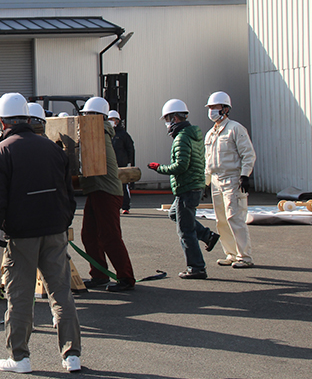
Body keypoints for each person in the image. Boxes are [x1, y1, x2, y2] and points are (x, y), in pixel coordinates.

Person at [0, 92, 81, 374]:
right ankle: (72, 355)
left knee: (20, 296)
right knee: (61, 294)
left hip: (22, 235)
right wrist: (62, 223)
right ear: (27, 117)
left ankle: (19, 357)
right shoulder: (53, 149)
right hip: (55, 231)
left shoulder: (0, 152)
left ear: (1, 121)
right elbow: (69, 195)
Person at [147, 99, 219, 279]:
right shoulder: (192, 134)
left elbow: (180, 166)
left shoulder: (181, 138)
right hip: (194, 185)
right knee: (174, 214)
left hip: (186, 188)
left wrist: (159, 168)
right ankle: (207, 235)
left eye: (167, 119)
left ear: (174, 118)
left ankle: (196, 268)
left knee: (185, 230)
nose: (166, 124)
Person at [78, 98, 136, 292]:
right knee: (89, 235)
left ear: (97, 117)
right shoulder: (95, 132)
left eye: (87, 114)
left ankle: (126, 277)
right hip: (97, 190)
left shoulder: (98, 133)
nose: (84, 118)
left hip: (106, 191)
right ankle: (99, 274)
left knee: (109, 236)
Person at [204, 92, 257, 268]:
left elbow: (248, 154)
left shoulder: (235, 129)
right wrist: (206, 182)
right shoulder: (211, 133)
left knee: (235, 217)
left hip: (232, 180)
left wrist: (244, 175)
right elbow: (208, 160)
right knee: (221, 220)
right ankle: (231, 253)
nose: (212, 111)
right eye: (210, 108)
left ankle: (245, 256)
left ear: (225, 109)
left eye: (215, 107)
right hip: (217, 181)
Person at [108, 110, 135, 214]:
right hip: (110, 165)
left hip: (121, 164)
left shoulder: (123, 134)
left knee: (123, 186)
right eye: (109, 119)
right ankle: (112, 206)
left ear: (117, 121)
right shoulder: (106, 133)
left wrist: (129, 162)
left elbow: (130, 148)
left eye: (112, 119)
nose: (111, 121)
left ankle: (125, 207)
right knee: (109, 186)